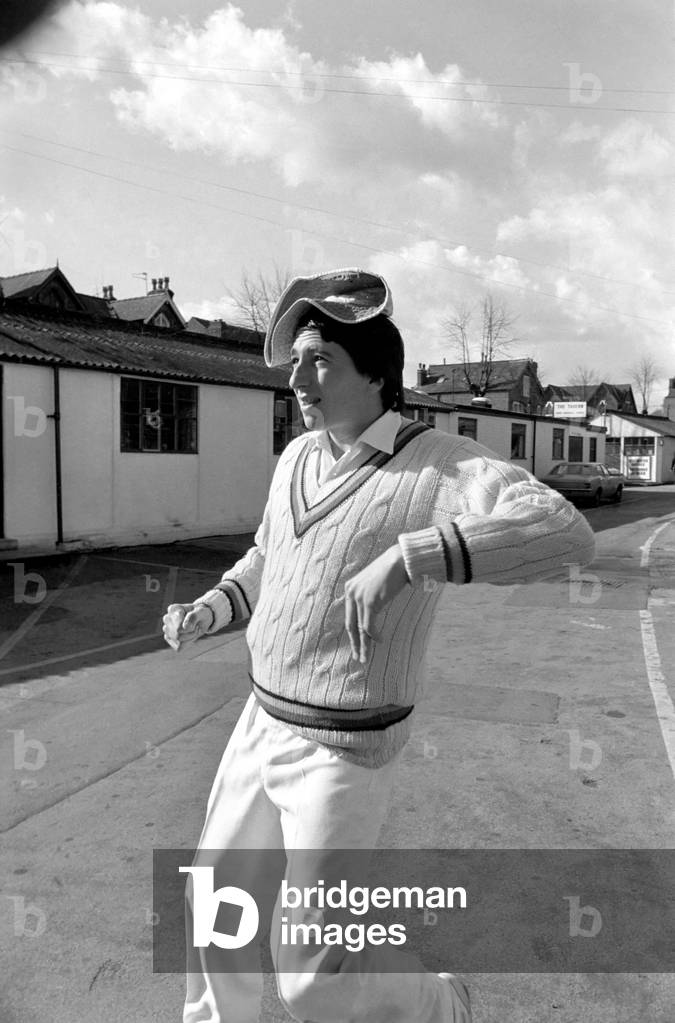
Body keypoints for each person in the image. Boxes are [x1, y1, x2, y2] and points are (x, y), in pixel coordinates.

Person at [163, 268, 596, 1023]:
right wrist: (216, 604)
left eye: (319, 359)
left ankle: (437, 1003)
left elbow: (564, 530)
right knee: (217, 905)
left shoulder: (440, 464)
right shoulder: (297, 456)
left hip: (343, 750)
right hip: (259, 722)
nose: (297, 377)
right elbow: (268, 557)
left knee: (310, 975)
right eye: (296, 360)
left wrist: (410, 556)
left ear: (377, 377)